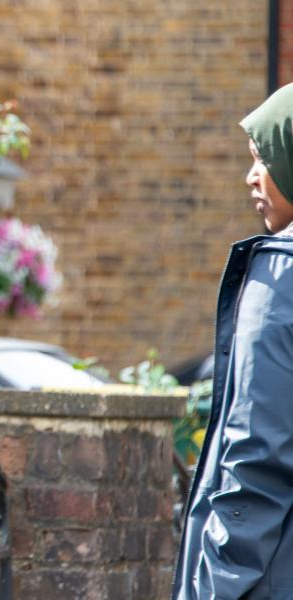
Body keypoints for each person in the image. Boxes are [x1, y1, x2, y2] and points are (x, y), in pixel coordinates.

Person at [175, 83, 293, 599]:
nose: (251, 176)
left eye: (261, 157)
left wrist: (216, 588)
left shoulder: (281, 278)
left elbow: (257, 460)